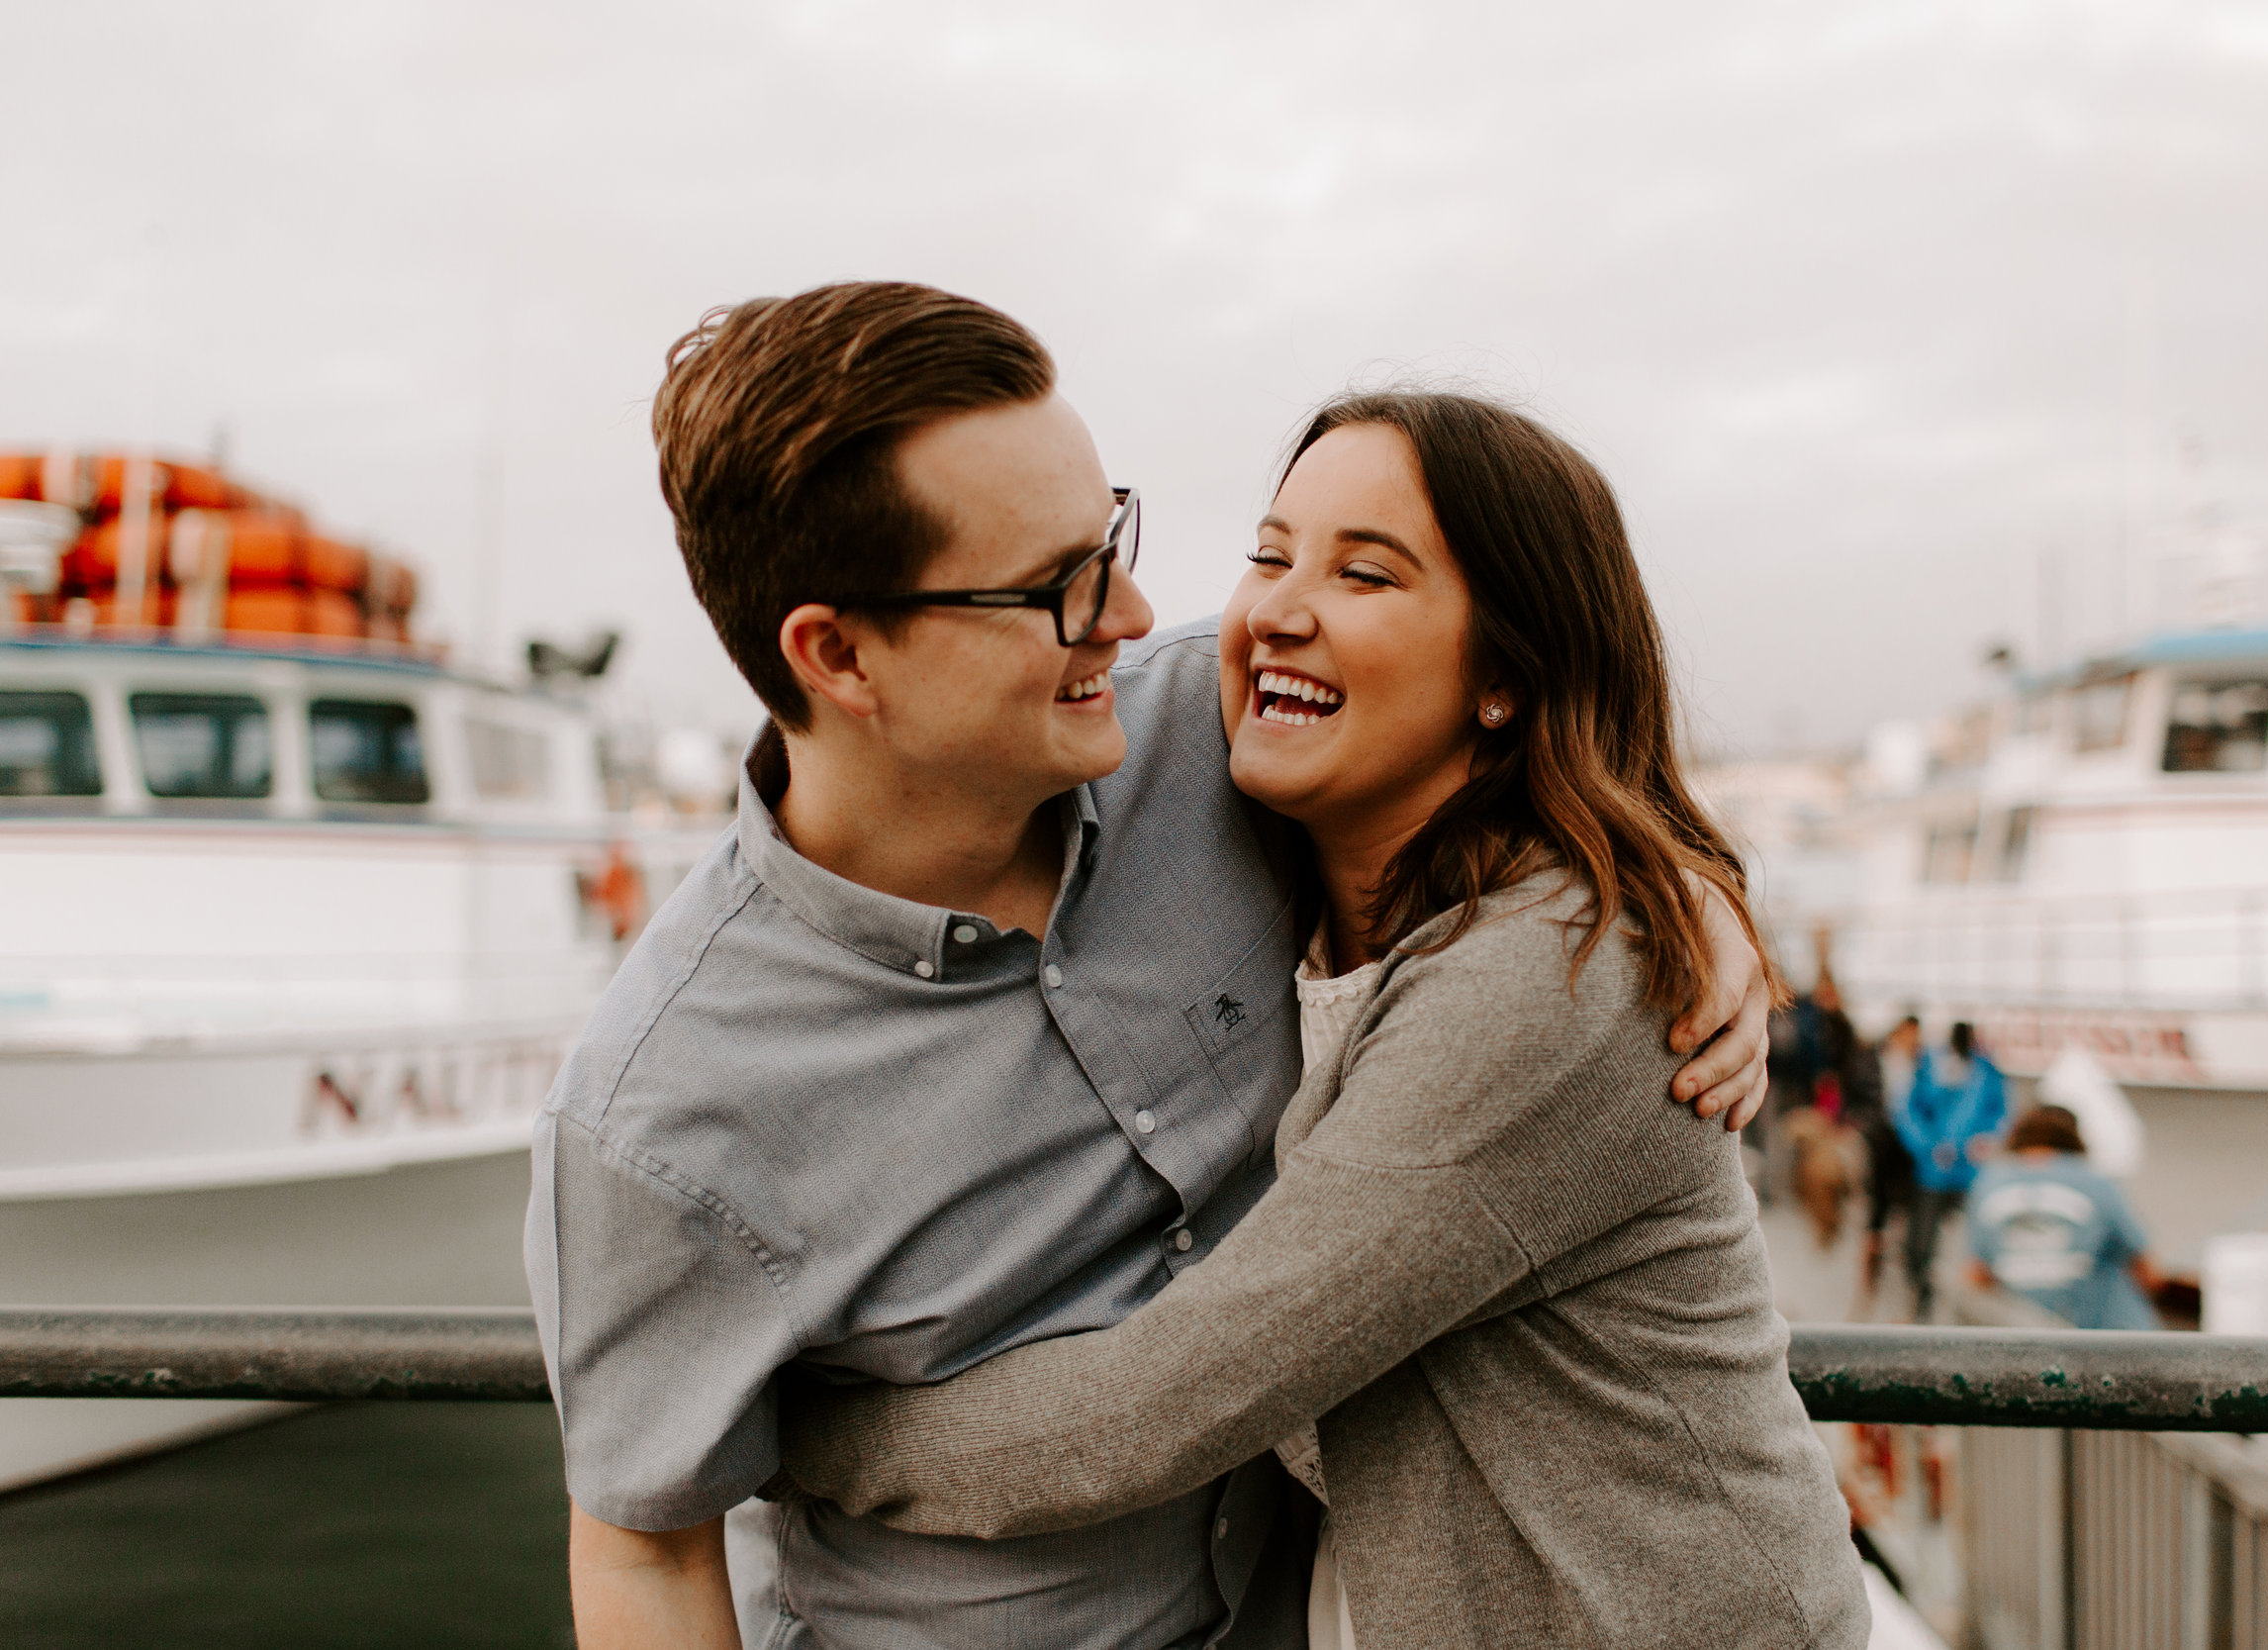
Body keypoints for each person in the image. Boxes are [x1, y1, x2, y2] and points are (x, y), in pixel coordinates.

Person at [524, 286, 1778, 1650]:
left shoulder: (1230, 730)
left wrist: (1689, 891)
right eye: (1055, 583)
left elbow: (1532, 749)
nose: (1129, 612)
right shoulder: (658, 1118)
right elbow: (647, 1553)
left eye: (1109, 536)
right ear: (837, 654)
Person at [777, 391, 1873, 1649]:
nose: (1279, 607)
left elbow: (1162, 1402)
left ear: (1507, 673)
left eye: (1365, 572)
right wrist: (1694, 876)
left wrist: (781, 1426)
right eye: (1266, 552)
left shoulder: (1553, 976)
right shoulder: (1305, 882)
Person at [1963, 1105, 2161, 1329]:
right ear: (2075, 1138)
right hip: (2106, 1339)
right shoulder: (2096, 1182)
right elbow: (2149, 1271)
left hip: (2026, 1340)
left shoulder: (1987, 1183)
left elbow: (1976, 1275)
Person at [1892, 1020, 2008, 1322]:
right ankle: (1921, 1304)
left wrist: (1985, 1140)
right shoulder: (1929, 1064)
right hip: (1932, 1173)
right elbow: (1908, 1111)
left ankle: (1970, 1311)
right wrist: (1927, 1148)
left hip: (1970, 1176)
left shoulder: (1986, 1069)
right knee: (1921, 1245)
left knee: (1975, 1244)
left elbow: (2000, 1112)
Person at [1847, 1015, 1919, 1305]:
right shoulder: (1873, 1059)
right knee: (1877, 1208)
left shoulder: (1919, 1065)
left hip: (1905, 1145)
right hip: (1879, 1141)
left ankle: (1894, 1265)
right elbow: (1860, 1095)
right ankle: (1870, 1275)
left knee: (1899, 1207)